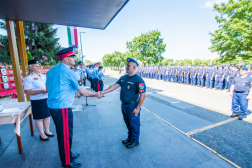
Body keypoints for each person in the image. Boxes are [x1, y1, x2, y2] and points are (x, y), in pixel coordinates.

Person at [46, 47, 102, 168]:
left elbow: (48, 88)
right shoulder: (71, 72)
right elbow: (84, 93)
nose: (75, 59)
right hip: (63, 108)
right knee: (65, 135)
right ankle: (67, 161)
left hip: (52, 106)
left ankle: (68, 153)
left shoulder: (51, 70)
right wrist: (97, 93)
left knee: (62, 133)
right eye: (73, 57)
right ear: (66, 59)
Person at [102, 58, 146, 148]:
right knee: (128, 123)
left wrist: (137, 108)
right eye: (126, 65)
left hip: (133, 105)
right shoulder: (123, 78)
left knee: (134, 123)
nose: (126, 67)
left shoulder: (138, 80)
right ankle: (130, 138)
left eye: (128, 65)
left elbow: (143, 95)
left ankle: (135, 140)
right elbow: (114, 86)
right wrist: (103, 92)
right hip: (124, 105)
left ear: (134, 67)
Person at [23, 60, 54, 141]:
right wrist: (40, 91)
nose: (39, 67)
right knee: (39, 118)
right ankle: (42, 134)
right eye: (36, 66)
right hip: (37, 100)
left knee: (47, 116)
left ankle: (47, 131)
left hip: (46, 98)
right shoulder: (28, 78)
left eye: (39, 66)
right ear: (31, 68)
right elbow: (27, 91)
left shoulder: (43, 76)